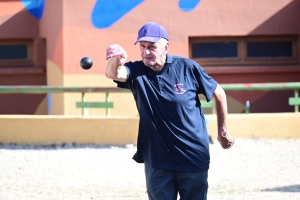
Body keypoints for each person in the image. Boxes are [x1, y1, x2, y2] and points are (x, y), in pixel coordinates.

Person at [105, 22, 234, 200]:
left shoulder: (187, 68)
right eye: (142, 47)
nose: (146, 52)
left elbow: (218, 92)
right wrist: (117, 59)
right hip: (158, 161)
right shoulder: (137, 71)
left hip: (193, 157)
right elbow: (114, 74)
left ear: (166, 47)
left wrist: (222, 130)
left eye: (152, 47)